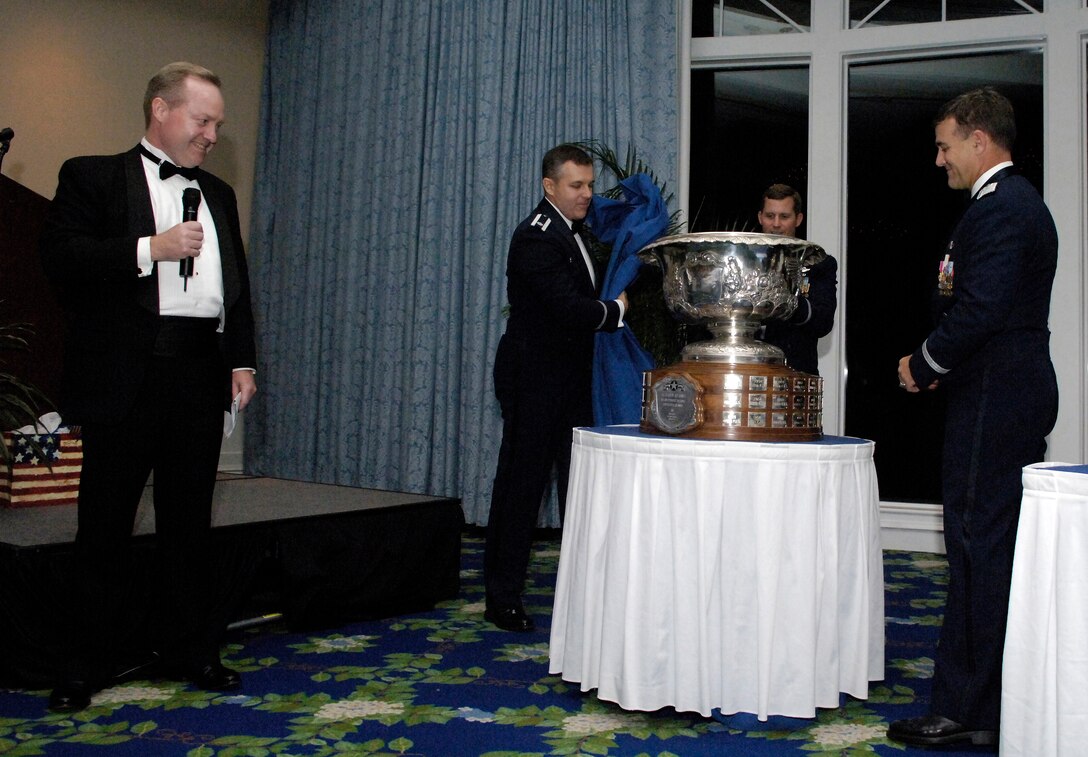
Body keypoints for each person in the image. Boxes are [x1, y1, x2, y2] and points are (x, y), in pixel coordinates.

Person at [39, 62, 258, 711]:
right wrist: (148, 248)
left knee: (190, 523)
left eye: (218, 122)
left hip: (199, 373)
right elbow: (61, 259)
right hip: (127, 374)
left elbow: (236, 285)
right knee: (104, 523)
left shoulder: (218, 192)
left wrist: (241, 360)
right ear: (161, 110)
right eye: (203, 119)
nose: (213, 134)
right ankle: (85, 660)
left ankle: (190, 646)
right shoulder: (92, 175)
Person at [889, 88, 1058, 748]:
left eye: (945, 144)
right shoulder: (1007, 205)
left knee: (976, 546)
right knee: (984, 546)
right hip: (1001, 389)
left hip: (995, 392)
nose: (940, 159)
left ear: (979, 140)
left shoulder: (1003, 209)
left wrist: (923, 363)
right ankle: (984, 698)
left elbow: (980, 311)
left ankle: (965, 707)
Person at [485, 144, 627, 632]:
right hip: (535, 380)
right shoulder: (537, 237)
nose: (588, 194)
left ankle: (579, 587)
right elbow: (571, 309)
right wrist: (617, 309)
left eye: (590, 184)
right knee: (521, 487)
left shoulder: (574, 232)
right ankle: (501, 595)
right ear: (550, 187)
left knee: (576, 484)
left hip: (566, 380)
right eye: (577, 185)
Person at [756, 184, 836, 375]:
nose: (776, 224)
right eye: (770, 216)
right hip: (746, 374)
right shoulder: (742, 261)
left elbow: (823, 323)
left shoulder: (818, 263)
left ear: (798, 219)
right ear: (760, 217)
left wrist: (787, 301)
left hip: (795, 376)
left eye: (784, 217)